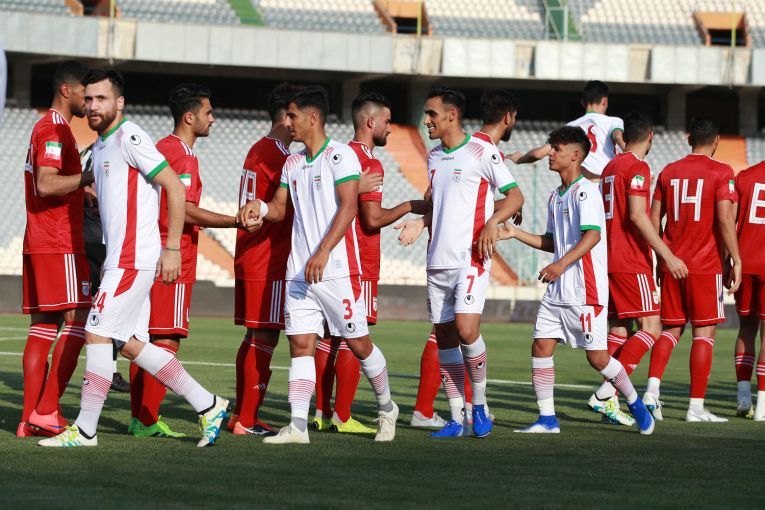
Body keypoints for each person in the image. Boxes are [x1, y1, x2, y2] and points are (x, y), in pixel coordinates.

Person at [39, 69, 228, 448]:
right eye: (89, 99)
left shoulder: (130, 137)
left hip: (132, 258)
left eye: (102, 99)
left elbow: (174, 186)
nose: (93, 106)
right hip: (122, 257)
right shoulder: (102, 145)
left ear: (119, 102)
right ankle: (209, 405)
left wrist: (171, 248)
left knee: (96, 331)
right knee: (129, 344)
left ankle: (86, 430)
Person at [237, 86, 398, 444]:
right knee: (300, 345)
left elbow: (349, 207)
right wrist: (259, 208)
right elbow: (279, 209)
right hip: (299, 273)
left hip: (336, 270)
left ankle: (387, 408)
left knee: (359, 344)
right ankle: (297, 426)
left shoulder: (340, 156)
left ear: (312, 118)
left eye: (293, 115)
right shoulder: (292, 163)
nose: (288, 122)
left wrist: (324, 251)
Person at [496, 126, 654, 434]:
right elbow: (552, 241)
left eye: (556, 149)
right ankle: (547, 419)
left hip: (585, 292)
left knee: (598, 359)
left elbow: (592, 236)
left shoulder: (587, 192)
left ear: (575, 155)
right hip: (558, 291)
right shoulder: (555, 196)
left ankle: (635, 404)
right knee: (541, 347)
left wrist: (560, 265)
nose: (550, 154)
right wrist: (515, 233)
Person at [128, 83, 243, 438]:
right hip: (174, 256)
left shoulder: (160, 147)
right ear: (189, 117)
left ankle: (140, 418)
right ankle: (147, 419)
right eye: (208, 112)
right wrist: (234, 220)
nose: (213, 118)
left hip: (150, 251)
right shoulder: (183, 155)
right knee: (166, 340)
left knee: (143, 338)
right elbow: (187, 209)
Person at [312, 92, 429, 433]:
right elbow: (372, 219)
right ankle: (343, 415)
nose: (391, 128)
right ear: (371, 121)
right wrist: (410, 206)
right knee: (354, 335)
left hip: (330, 257)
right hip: (359, 261)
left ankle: (320, 411)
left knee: (328, 337)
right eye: (388, 122)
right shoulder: (368, 163)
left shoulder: (335, 154)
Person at [408, 88, 519, 429]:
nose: (426, 120)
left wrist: (493, 223)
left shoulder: (482, 151)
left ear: (452, 114)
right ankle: (456, 417)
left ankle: (479, 405)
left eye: (432, 114)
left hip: (471, 257)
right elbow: (444, 204)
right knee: (444, 338)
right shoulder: (433, 157)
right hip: (436, 260)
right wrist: (420, 221)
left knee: (467, 331)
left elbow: (515, 197)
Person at [587, 111, 688, 425]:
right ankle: (606, 392)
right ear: (651, 136)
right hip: (631, 259)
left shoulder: (609, 166)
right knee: (652, 327)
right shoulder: (638, 167)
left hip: (608, 258)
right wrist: (667, 255)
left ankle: (610, 403)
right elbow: (637, 215)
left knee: (619, 330)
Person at [643, 116, 741, 423]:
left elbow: (653, 218)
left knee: (671, 329)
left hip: (672, 262)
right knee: (704, 333)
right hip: (705, 265)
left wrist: (660, 259)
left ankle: (651, 392)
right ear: (717, 141)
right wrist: (735, 259)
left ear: (688, 139)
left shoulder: (669, 171)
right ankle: (696, 408)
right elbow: (724, 220)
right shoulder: (722, 172)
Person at [20, 60, 93, 437]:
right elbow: (46, 184)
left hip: (41, 240)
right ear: (67, 90)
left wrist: (83, 189)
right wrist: (88, 176)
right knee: (78, 319)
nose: (89, 100)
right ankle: (47, 411)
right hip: (59, 241)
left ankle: (28, 419)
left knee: (44, 326)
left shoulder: (50, 128)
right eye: (85, 92)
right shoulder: (54, 129)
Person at [229, 83, 296, 436]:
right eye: (296, 114)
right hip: (267, 256)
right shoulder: (279, 156)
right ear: (287, 116)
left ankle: (241, 415)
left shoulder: (260, 149)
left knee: (256, 335)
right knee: (265, 336)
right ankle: (247, 419)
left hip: (252, 252)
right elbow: (281, 209)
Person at [80, 143, 131, 394]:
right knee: (103, 310)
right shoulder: (102, 151)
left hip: (90, 238)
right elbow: (89, 185)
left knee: (90, 310)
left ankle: (106, 372)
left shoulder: (90, 151)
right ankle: (106, 372)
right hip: (98, 240)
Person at [509, 80, 625, 181]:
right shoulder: (613, 121)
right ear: (605, 101)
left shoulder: (570, 126)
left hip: (582, 184)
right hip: (605, 182)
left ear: (582, 102)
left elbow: (538, 154)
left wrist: (520, 159)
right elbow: (618, 136)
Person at [733, 158, 765, 421]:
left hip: (744, 261)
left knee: (746, 328)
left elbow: (728, 221)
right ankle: (763, 405)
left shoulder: (744, 177)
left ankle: (744, 396)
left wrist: (727, 261)